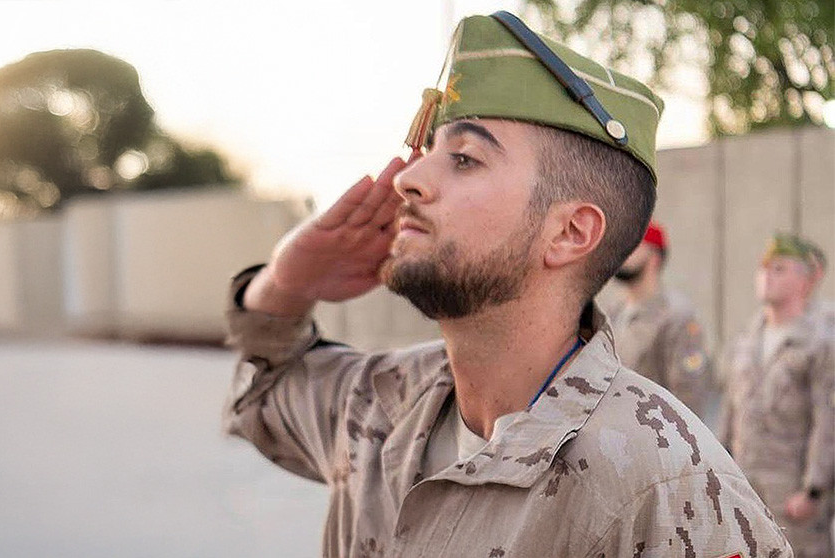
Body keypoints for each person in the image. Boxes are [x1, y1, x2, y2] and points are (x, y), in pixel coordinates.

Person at [223, 12, 792, 556]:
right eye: (429, 152)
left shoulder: (663, 483)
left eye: (465, 158)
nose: (409, 178)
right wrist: (285, 282)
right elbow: (263, 395)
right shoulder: (382, 402)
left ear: (570, 232)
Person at [720, 233, 834, 558]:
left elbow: (827, 420)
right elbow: (730, 410)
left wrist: (813, 489)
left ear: (806, 281)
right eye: (763, 268)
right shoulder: (747, 337)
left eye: (779, 269)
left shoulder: (821, 340)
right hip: (744, 485)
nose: (766, 276)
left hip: (792, 492)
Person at [607, 221, 711, 416]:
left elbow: (689, 398)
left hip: (653, 437)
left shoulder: (677, 316)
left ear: (654, 257)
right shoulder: (612, 313)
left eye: (632, 245)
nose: (621, 252)